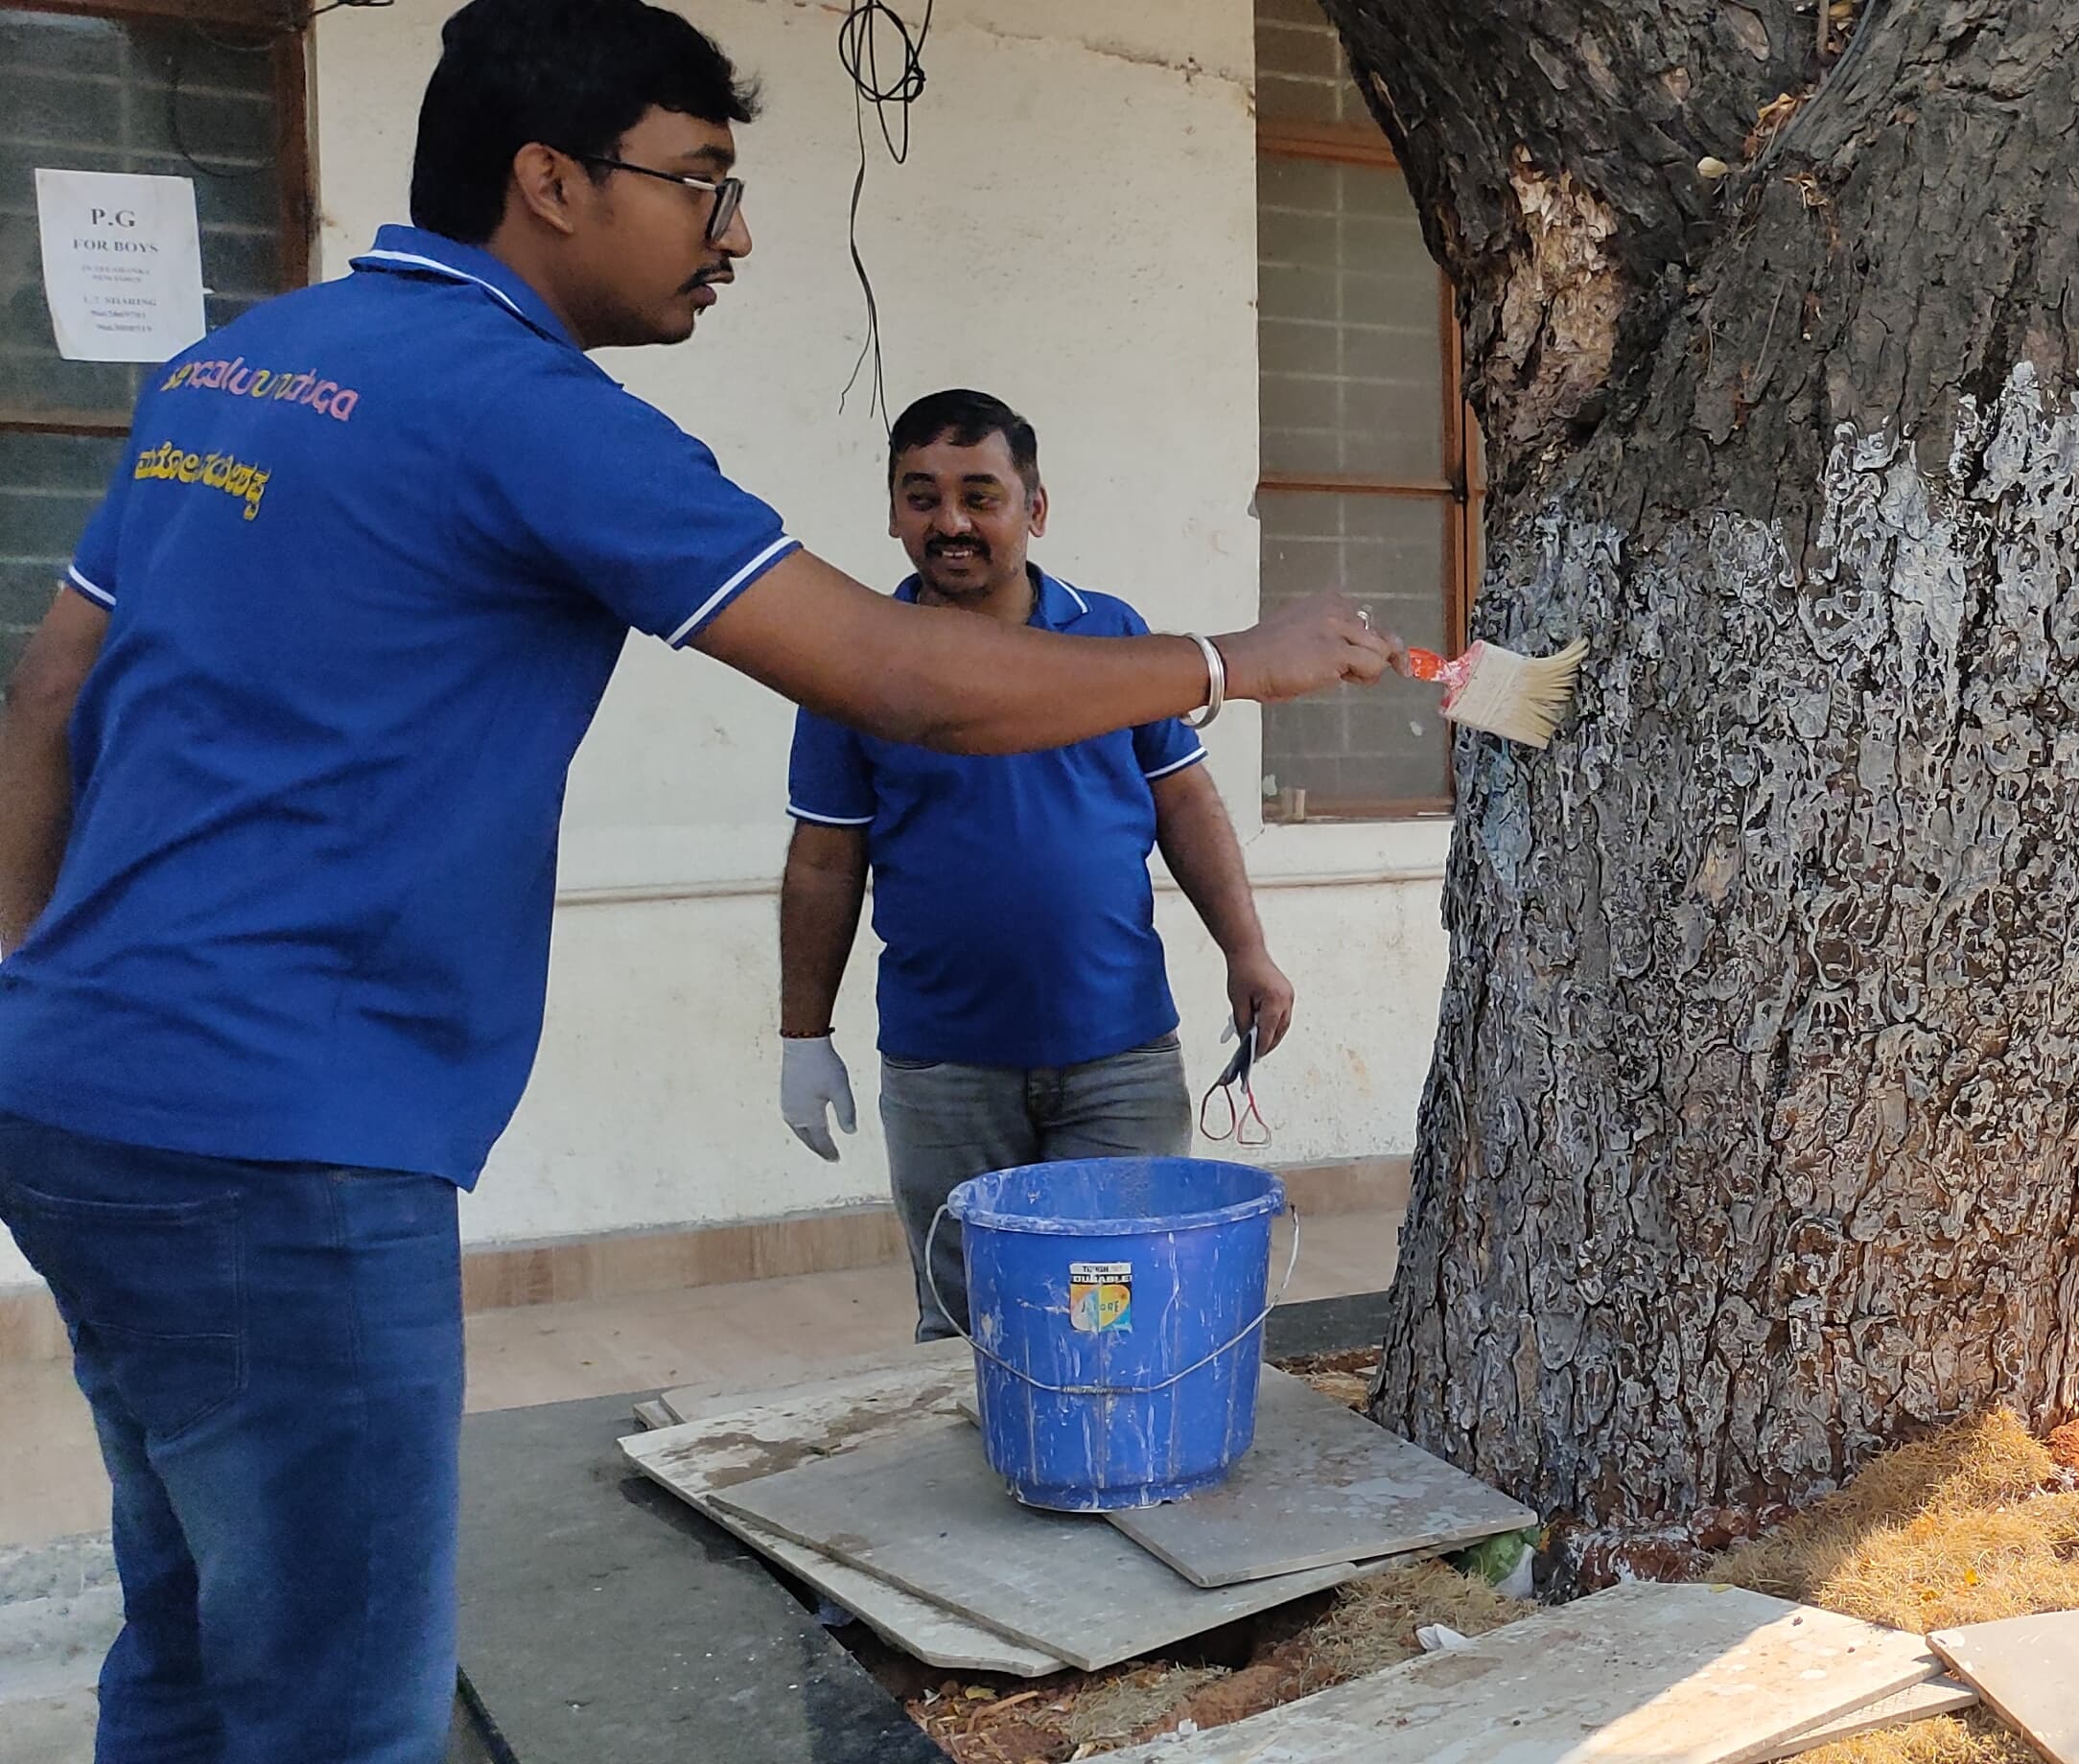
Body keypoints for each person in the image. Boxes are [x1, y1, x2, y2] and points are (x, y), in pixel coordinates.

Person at [0, 4, 1402, 1758]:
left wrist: (36, 986)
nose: (732, 238)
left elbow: (51, 695)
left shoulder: (239, 367)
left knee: (194, 1637)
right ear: (549, 182)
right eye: (701, 187)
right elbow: (896, 678)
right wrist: (1231, 658)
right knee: (339, 1701)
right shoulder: (535, 414)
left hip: (72, 1095)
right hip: (286, 1138)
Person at [778, 390, 1294, 1340]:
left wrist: (1247, 951)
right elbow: (822, 860)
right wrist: (801, 1035)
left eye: (982, 495)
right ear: (893, 512)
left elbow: (1184, 800)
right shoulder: (851, 669)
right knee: (967, 1320)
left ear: (1035, 508)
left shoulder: (1112, 637)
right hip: (944, 1068)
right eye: (922, 497)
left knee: (1117, 1312)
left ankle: (1113, 1481)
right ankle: (976, 1488)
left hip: (1119, 1057)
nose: (953, 522)